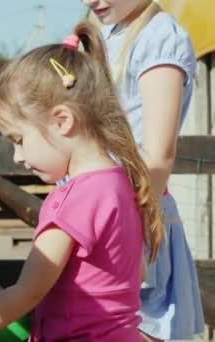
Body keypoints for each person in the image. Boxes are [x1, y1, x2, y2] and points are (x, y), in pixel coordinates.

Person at [0, 21, 163, 342]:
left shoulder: (71, 200)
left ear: (62, 121)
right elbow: (136, 273)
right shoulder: (123, 183)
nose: (17, 157)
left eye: (19, 139)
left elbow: (25, 294)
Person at [82, 0, 204, 340]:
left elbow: (158, 154)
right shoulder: (106, 33)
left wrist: (129, 230)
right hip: (99, 212)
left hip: (131, 212)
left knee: (137, 328)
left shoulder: (159, 36)